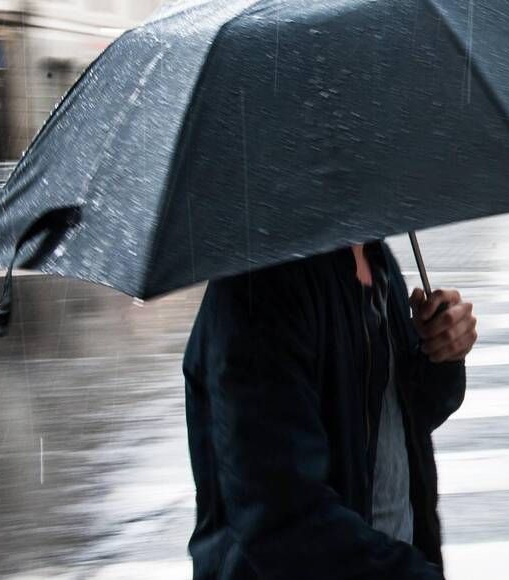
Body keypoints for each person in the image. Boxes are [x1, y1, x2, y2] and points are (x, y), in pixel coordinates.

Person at [182, 239, 476, 579]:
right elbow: (283, 518)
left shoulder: (377, 260)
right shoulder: (261, 286)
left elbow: (399, 424)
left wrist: (442, 356)